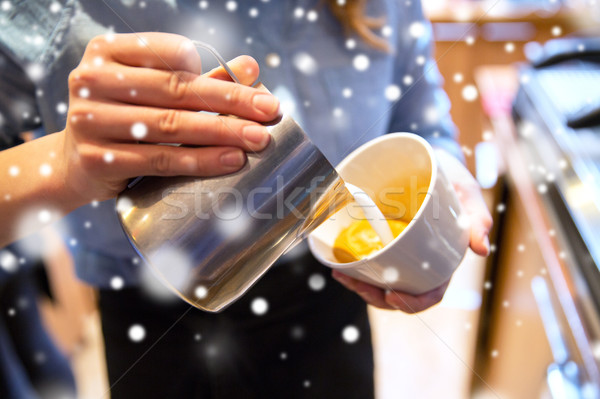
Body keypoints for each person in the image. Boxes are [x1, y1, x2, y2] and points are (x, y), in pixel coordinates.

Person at [0, 0, 493, 398]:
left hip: (331, 297)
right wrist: (64, 165)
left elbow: (421, 118)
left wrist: (444, 186)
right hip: (156, 321)